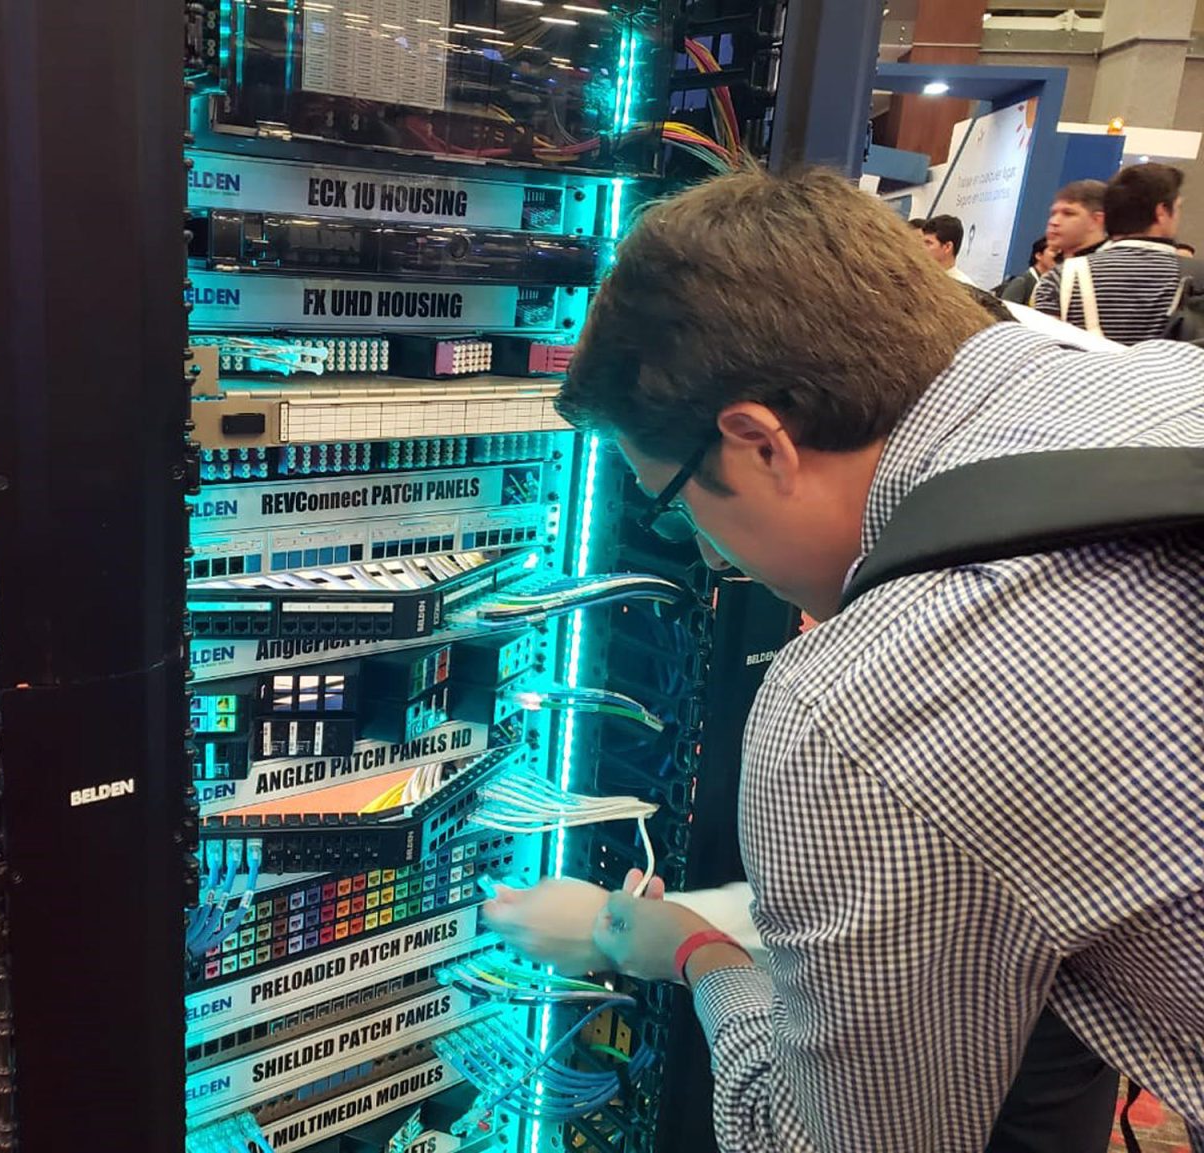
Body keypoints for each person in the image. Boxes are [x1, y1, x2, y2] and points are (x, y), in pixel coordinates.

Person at [482, 166, 1204, 1153]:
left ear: (759, 441)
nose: (712, 557)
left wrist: (680, 949)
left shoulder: (870, 702)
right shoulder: (1166, 381)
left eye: (681, 509)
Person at [1032, 162, 1187, 343]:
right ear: (1161, 212)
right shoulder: (1193, 279)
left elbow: (1043, 353)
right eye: (1177, 208)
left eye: (1068, 213)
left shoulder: (1059, 279)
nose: (1054, 222)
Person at [1043, 178, 1107, 259]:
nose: (1053, 222)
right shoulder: (1052, 266)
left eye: (1068, 213)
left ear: (1096, 220)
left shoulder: (1111, 267)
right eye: (1053, 214)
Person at [996, 237, 1056, 305]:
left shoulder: (1051, 284)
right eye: (1054, 251)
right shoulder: (1022, 282)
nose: (1059, 256)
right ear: (1039, 255)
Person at [920, 214, 976, 284]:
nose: (921, 247)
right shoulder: (919, 279)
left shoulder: (964, 287)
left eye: (928, 243)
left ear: (947, 247)